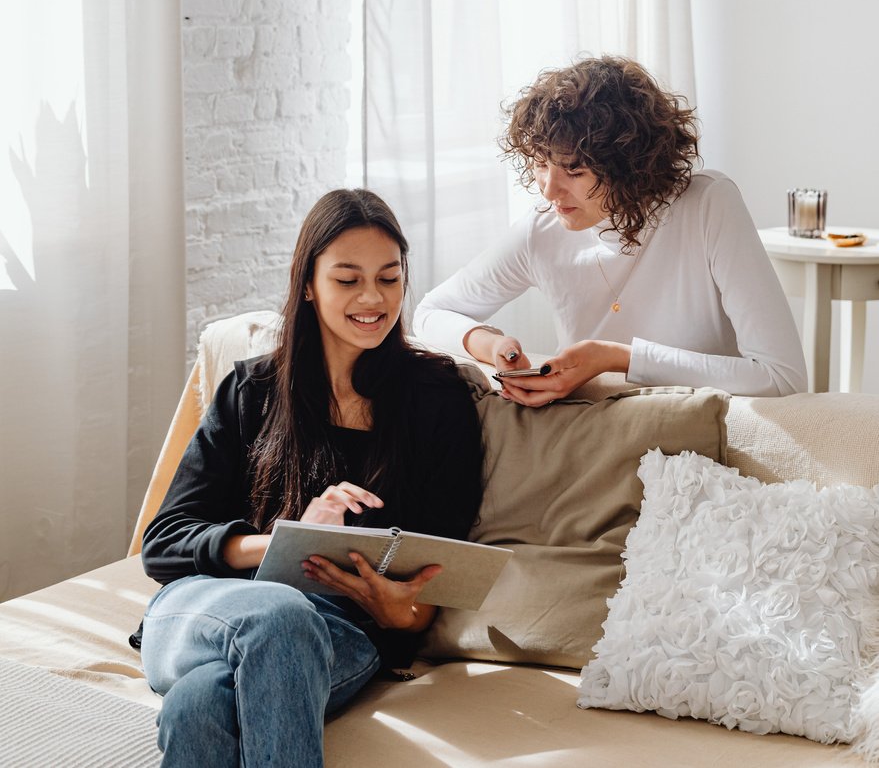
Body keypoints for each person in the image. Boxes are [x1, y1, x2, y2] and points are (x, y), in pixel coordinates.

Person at [138, 189, 484, 768]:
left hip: (339, 631)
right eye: (348, 279)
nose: (373, 298)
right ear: (308, 284)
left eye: (390, 278)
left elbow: (435, 577)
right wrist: (288, 538)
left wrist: (396, 609)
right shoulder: (251, 391)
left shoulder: (437, 400)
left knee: (198, 706)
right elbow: (164, 543)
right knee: (278, 611)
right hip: (209, 608)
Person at [414, 55, 808, 402]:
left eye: (574, 170)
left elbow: (782, 377)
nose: (550, 190)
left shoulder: (707, 205)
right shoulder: (542, 232)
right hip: (595, 438)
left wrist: (617, 358)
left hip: (698, 439)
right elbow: (432, 312)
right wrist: (492, 344)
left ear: (630, 166)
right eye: (539, 164)